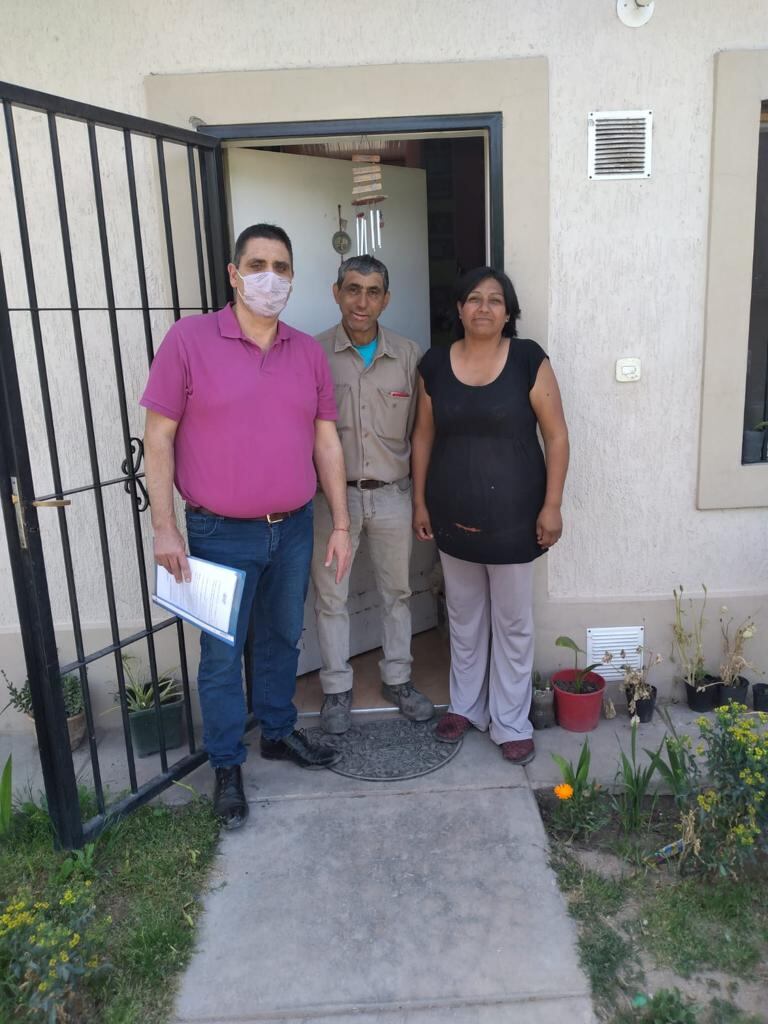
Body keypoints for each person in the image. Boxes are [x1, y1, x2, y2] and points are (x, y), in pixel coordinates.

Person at [140, 223, 352, 829]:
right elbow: (159, 436)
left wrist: (340, 522)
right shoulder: (188, 340)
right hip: (217, 533)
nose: (269, 277)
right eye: (256, 264)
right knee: (221, 654)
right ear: (233, 274)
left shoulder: (306, 352)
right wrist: (164, 527)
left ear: (292, 277)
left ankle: (279, 732)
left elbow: (325, 441)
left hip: (291, 528)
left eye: (281, 267)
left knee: (284, 636)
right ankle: (228, 763)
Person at [411, 267, 569, 765]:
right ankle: (466, 707)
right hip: (452, 515)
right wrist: (420, 501)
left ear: (508, 312)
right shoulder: (434, 364)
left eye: (495, 300)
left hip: (516, 518)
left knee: (513, 624)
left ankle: (511, 721)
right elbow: (422, 437)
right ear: (458, 309)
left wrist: (553, 504)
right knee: (464, 617)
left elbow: (557, 436)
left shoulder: (527, 359)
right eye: (473, 299)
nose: (483, 307)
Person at [312, 255, 434, 734]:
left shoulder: (408, 355)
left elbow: (420, 434)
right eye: (353, 289)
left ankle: (398, 679)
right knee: (330, 597)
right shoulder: (313, 353)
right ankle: (336, 689)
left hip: (390, 495)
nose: (362, 301)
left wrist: (419, 497)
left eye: (373, 291)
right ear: (336, 291)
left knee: (397, 593)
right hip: (332, 500)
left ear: (386, 298)